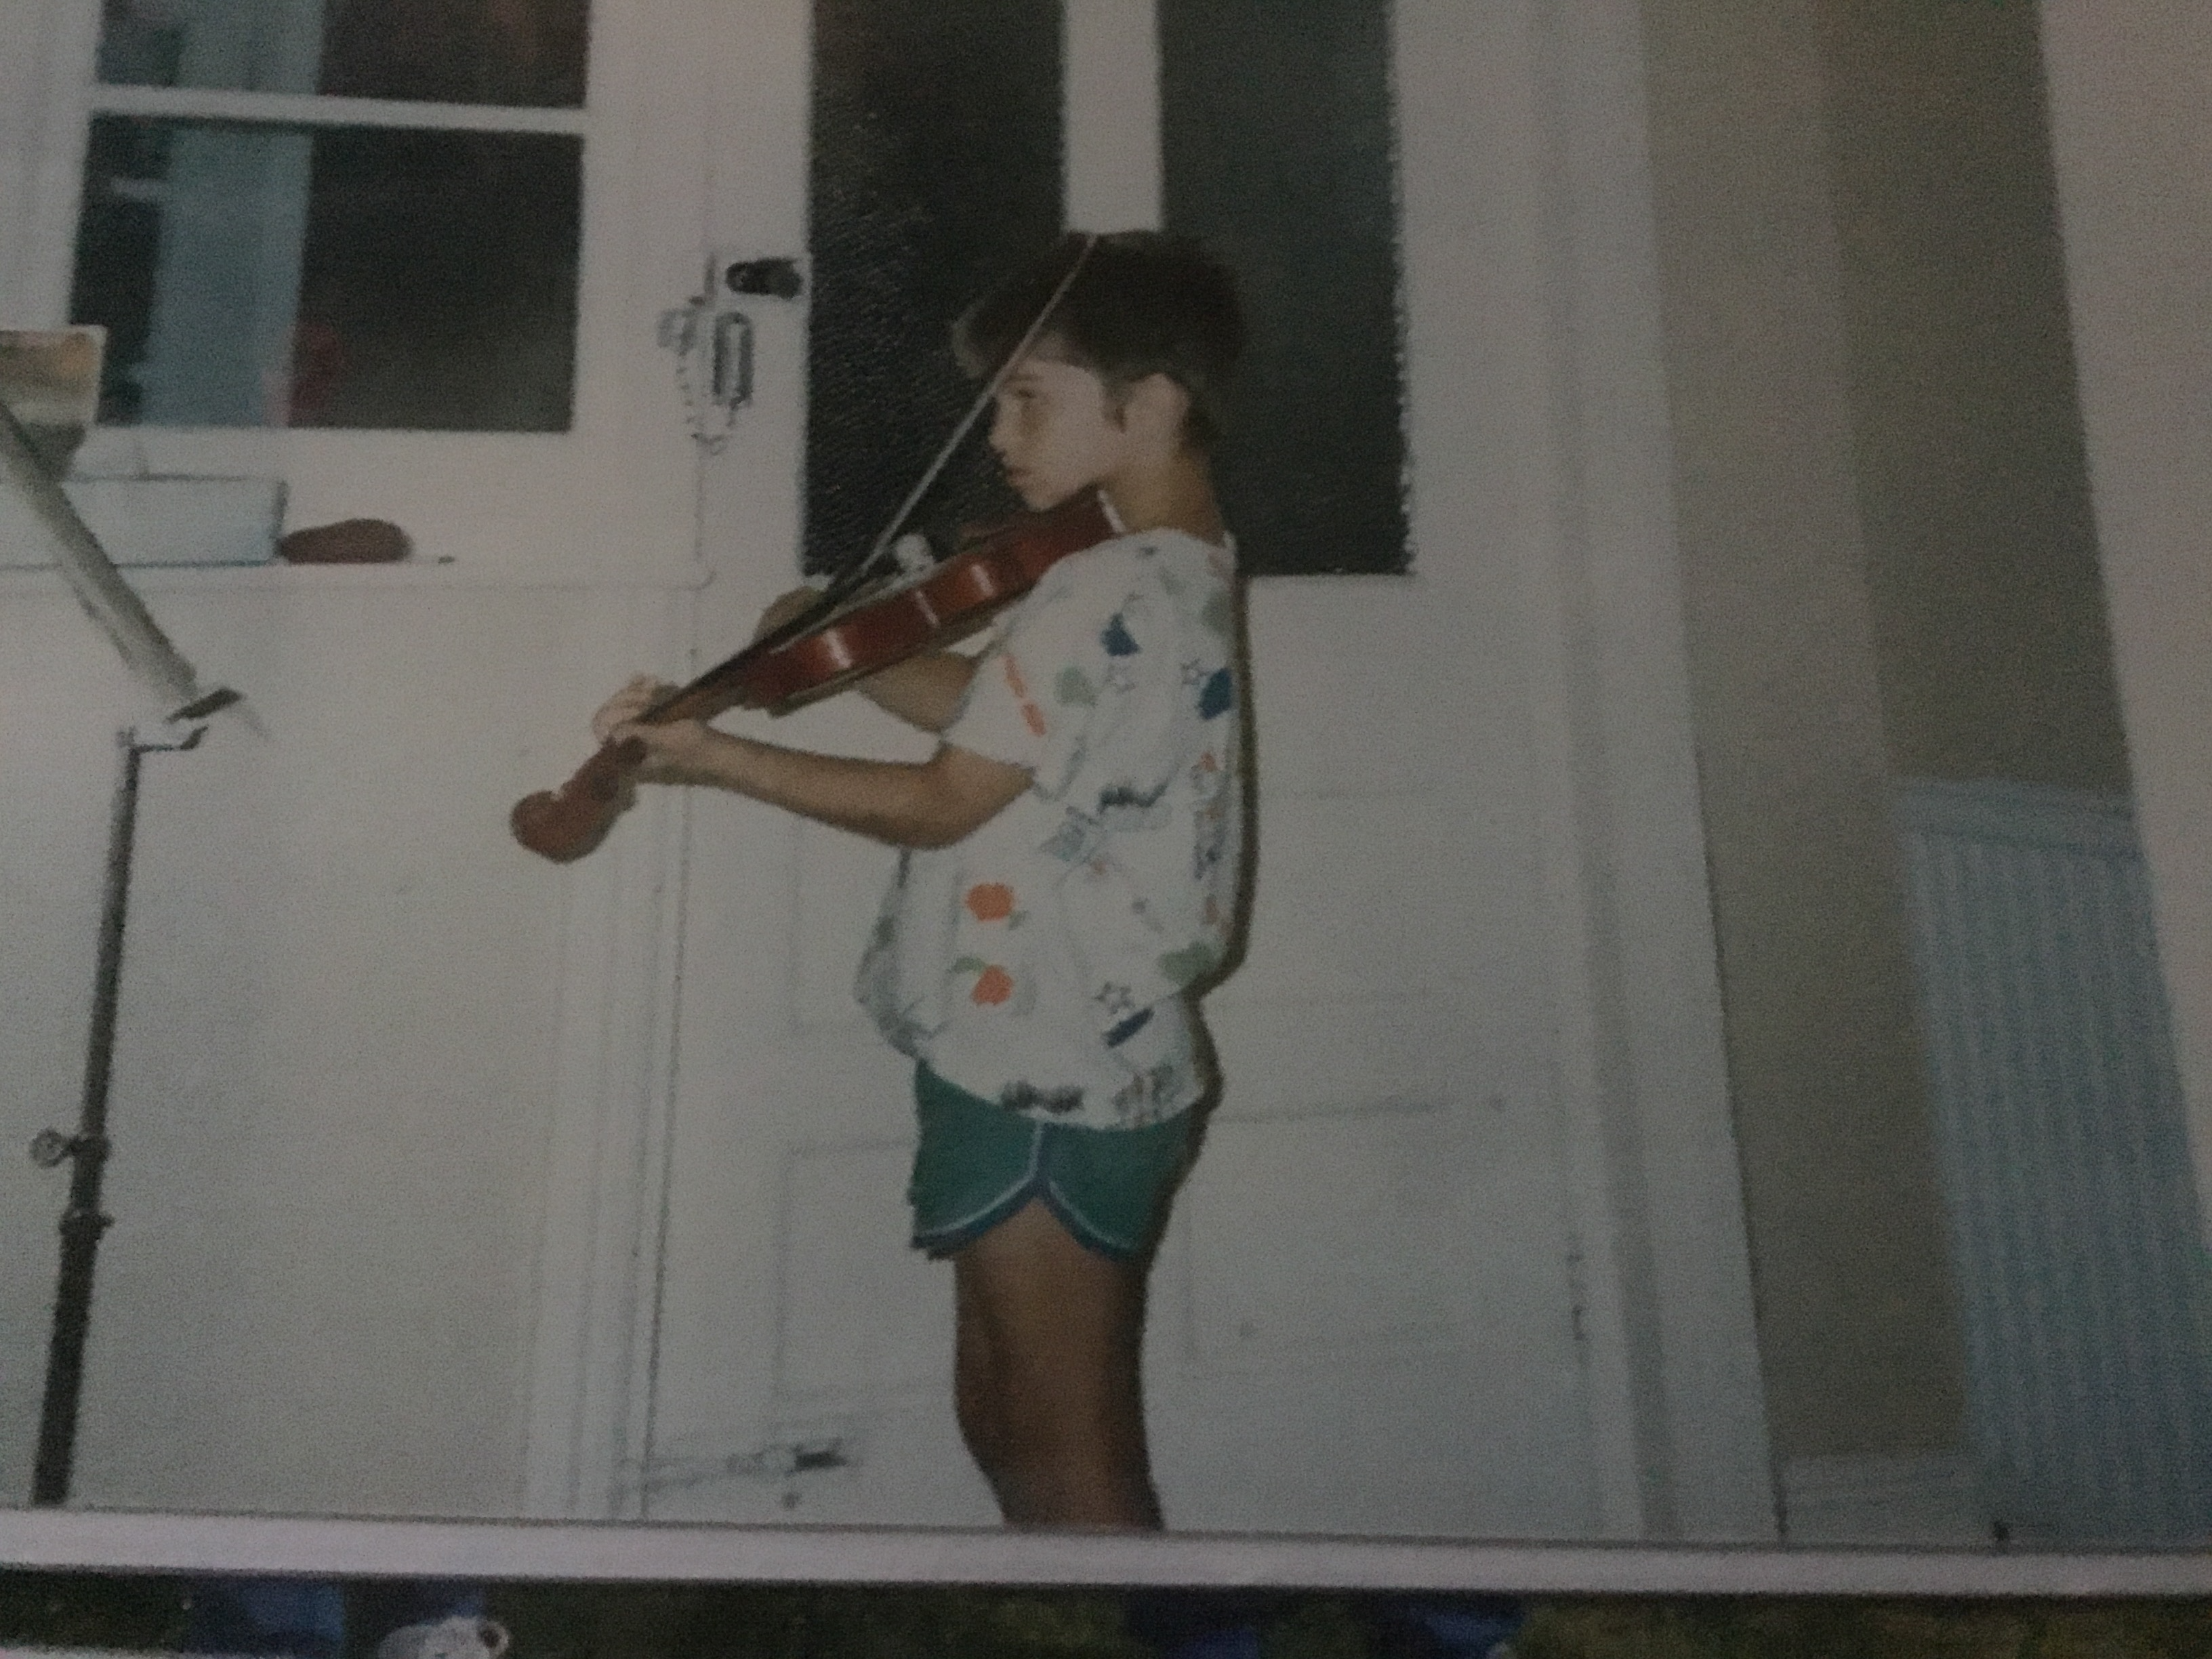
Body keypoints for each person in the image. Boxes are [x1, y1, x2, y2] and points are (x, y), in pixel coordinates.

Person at [590, 230, 1244, 1529]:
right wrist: (827, 654)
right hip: (1037, 1044)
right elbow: (999, 725)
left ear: (1152, 403)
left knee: (1064, 1444)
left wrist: (719, 756)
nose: (998, 434)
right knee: (1003, 1409)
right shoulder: (1169, 570)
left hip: (1055, 1062)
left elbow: (949, 801)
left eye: (1028, 397)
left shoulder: (1103, 586)